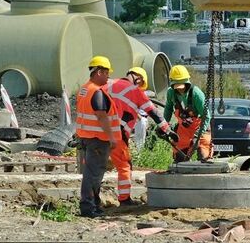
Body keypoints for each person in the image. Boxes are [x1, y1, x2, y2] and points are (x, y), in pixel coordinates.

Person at [106, 66, 177, 205]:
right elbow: (154, 113)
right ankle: (124, 199)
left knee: (94, 168)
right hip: (117, 135)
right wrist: (168, 131)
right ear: (138, 79)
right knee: (125, 166)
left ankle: (91, 199)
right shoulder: (136, 91)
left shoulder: (107, 84)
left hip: (97, 133)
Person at [75, 55, 121, 218]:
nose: (108, 77)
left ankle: (94, 203)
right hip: (98, 139)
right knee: (93, 173)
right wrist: (112, 138)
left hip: (87, 137)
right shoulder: (97, 92)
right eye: (107, 73)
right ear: (99, 72)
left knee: (92, 171)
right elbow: (101, 116)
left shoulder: (85, 89)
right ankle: (88, 206)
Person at [164, 65, 212, 162]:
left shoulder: (197, 94)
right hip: (183, 130)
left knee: (205, 158)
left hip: (200, 127)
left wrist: (197, 135)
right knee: (179, 160)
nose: (180, 89)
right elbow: (168, 109)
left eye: (182, 86)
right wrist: (164, 126)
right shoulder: (171, 93)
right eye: (176, 87)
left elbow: (206, 116)